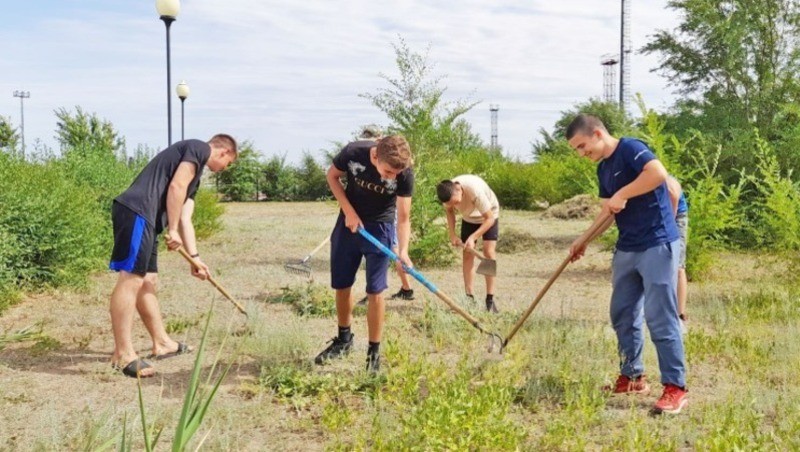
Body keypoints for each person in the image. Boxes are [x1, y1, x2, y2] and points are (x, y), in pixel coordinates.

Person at [566, 114, 687, 415]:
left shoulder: (631, 148)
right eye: (576, 150)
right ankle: (633, 376)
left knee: (659, 317)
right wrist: (583, 239)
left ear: (597, 133)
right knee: (622, 312)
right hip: (628, 247)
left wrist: (623, 193)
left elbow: (658, 174)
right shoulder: (605, 169)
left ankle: (676, 387)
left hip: (657, 244)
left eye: (582, 146)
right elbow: (609, 211)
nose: (582, 154)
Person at [108, 134, 238, 378]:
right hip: (137, 211)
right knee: (132, 279)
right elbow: (176, 186)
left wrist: (195, 257)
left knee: (149, 280)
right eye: (228, 164)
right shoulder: (198, 148)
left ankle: (162, 342)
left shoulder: (196, 178)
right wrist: (172, 230)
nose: (224, 169)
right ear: (223, 152)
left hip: (150, 221)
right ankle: (122, 353)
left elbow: (185, 217)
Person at [315, 134, 414, 373]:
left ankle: (373, 354)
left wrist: (403, 251)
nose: (392, 178)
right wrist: (348, 211)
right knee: (342, 284)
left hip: (380, 227)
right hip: (349, 222)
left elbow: (403, 216)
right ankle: (344, 339)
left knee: (375, 290)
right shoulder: (353, 152)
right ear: (375, 156)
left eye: (396, 174)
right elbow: (332, 176)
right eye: (388, 172)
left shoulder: (405, 171)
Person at [353, 126, 414, 306]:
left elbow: (403, 213)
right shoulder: (366, 158)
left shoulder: (391, 160)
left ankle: (383, 290)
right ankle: (405, 288)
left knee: (392, 252)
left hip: (388, 216)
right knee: (392, 251)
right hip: (374, 216)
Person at [436, 175, 500, 313]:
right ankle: (469, 298)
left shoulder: (474, 190)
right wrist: (452, 234)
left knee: (488, 253)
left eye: (455, 202)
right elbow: (449, 212)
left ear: (459, 190)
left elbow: (489, 219)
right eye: (451, 204)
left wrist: (473, 237)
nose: (454, 206)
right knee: (467, 254)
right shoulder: (446, 193)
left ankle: (490, 300)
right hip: (469, 218)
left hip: (489, 215)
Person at [666, 176, 689, 334]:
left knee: (678, 266)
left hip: (676, 216)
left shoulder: (654, 171)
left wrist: (668, 222)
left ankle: (679, 316)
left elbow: (673, 192)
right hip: (657, 217)